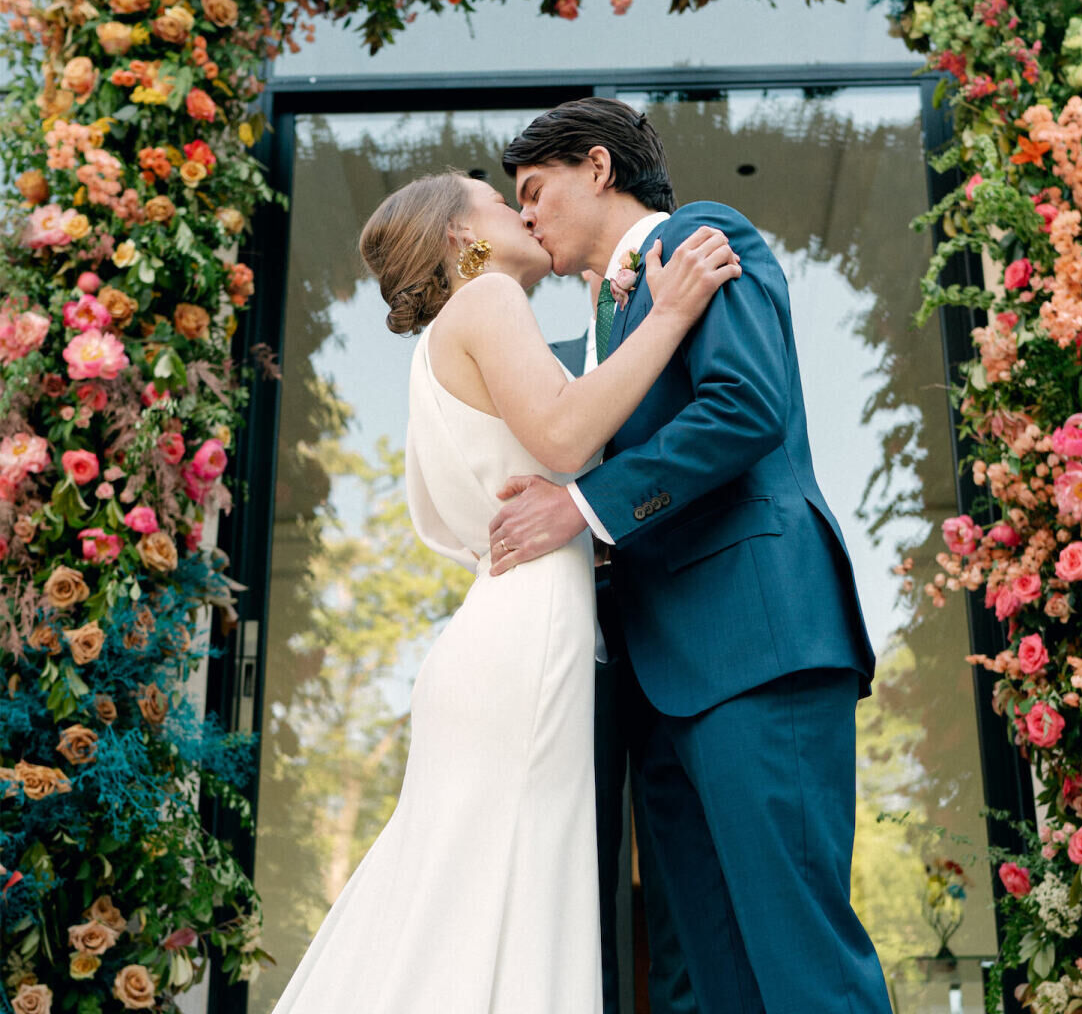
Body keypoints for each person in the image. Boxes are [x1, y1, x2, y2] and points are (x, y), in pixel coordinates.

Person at [270, 169, 740, 1014]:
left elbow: (466, 509)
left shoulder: (446, 342)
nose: (521, 211)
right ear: (462, 236)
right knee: (507, 894)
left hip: (503, 624)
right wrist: (669, 314)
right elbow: (565, 428)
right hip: (523, 643)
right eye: (498, 200)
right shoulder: (486, 301)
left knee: (476, 894)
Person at [488, 97, 892, 1014]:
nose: (524, 216)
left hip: (756, 643)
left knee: (802, 959)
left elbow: (744, 408)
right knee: (710, 976)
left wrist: (582, 508)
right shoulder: (602, 322)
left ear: (597, 168)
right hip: (658, 681)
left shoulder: (704, 236)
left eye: (534, 190)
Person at [550, 276, 697, 1014]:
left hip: (679, 613)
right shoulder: (539, 364)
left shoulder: (680, 340)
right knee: (575, 864)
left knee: (683, 870)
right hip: (576, 629)